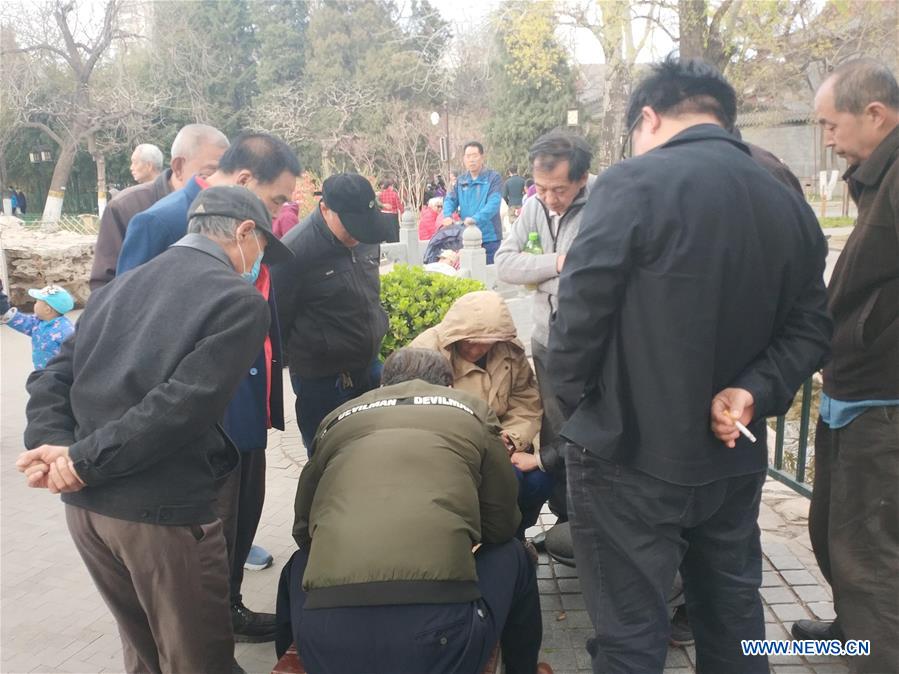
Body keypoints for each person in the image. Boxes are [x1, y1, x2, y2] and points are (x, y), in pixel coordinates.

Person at [547, 57, 832, 673]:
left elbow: (575, 325)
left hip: (627, 453)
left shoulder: (633, 183)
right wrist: (753, 391)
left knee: (630, 637)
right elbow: (812, 326)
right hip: (732, 456)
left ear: (647, 117)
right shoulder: (786, 197)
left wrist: (577, 420)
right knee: (732, 616)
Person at [17, 185, 292, 674]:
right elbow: (179, 408)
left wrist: (54, 445)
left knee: (145, 656)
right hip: (162, 517)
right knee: (198, 660)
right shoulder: (237, 300)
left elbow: (54, 375)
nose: (257, 262)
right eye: (262, 249)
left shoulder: (121, 284)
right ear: (245, 232)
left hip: (88, 513)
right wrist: (77, 460)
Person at [117, 132, 301, 643]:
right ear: (245, 181)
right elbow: (132, 327)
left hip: (250, 407)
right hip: (200, 422)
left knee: (240, 524)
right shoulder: (163, 223)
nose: (283, 212)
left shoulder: (250, 230)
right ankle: (206, 640)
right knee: (203, 540)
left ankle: (232, 607)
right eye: (279, 199)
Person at [276, 347, 553, 674]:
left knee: (298, 564)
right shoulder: (471, 411)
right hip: (442, 646)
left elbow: (304, 530)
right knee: (514, 554)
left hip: (325, 647)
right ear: (448, 386)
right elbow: (501, 525)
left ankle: (293, 662)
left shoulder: (338, 418)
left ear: (383, 385)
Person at [790, 59, 899, 674]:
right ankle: (851, 629)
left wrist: (868, 333)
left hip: (884, 397)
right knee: (834, 529)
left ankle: (877, 652)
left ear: (875, 115)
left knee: (868, 550)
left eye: (831, 124)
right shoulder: (874, 175)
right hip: (853, 387)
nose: (826, 137)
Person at [411, 291, 548, 540]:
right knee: (507, 482)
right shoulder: (426, 352)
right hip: (452, 450)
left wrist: (512, 440)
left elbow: (526, 401)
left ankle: (516, 537)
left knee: (540, 479)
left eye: (487, 342)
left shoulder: (509, 351)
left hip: (502, 443)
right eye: (470, 341)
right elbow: (415, 415)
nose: (478, 348)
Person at [272, 173, 393, 451]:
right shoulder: (293, 252)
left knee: (377, 449)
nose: (357, 235)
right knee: (329, 455)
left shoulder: (366, 234)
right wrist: (319, 348)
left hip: (369, 365)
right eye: (350, 226)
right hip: (323, 381)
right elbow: (278, 321)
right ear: (325, 209)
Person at [90, 124, 229, 290]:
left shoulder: (221, 208)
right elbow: (104, 285)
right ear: (178, 166)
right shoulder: (126, 207)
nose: (220, 181)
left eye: (226, 173)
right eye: (210, 172)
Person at [442, 142, 503, 263]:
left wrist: (475, 219)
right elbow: (450, 199)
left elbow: (493, 204)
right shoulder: (461, 180)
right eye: (468, 156)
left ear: (482, 157)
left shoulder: (493, 178)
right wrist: (447, 215)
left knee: (489, 276)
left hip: (489, 238)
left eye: (475, 155)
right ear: (464, 159)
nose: (471, 160)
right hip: (467, 237)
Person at [1, 284, 74, 370]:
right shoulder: (37, 322)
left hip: (59, 374)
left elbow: (75, 352)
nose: (34, 304)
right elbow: (24, 322)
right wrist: (7, 314)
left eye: (37, 302)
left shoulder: (65, 330)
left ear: (47, 309)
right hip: (41, 370)